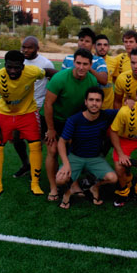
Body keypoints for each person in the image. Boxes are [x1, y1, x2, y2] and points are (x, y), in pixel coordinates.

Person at [0, 50, 55, 197]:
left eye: (16, 67)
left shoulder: (33, 71)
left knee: (35, 145)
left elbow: (49, 71)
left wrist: (63, 78)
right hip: (4, 114)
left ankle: (35, 184)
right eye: (9, 67)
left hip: (28, 113)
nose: (12, 70)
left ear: (23, 66)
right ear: (5, 65)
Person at [41, 48, 98, 201]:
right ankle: (53, 188)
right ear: (73, 63)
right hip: (54, 119)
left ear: (90, 65)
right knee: (52, 151)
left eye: (85, 64)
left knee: (75, 152)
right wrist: (51, 129)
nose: (81, 67)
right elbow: (48, 104)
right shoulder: (60, 78)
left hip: (72, 122)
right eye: (78, 63)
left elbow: (91, 106)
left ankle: (74, 184)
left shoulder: (92, 81)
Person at [55, 87, 118, 209]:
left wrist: (132, 103)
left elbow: (126, 110)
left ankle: (95, 187)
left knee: (113, 178)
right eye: (91, 100)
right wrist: (66, 163)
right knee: (60, 179)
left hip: (95, 158)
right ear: (85, 102)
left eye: (97, 100)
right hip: (76, 156)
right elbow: (61, 142)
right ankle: (69, 191)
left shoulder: (106, 115)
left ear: (102, 102)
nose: (94, 103)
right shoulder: (74, 120)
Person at [12, 36, 56, 178]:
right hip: (19, 108)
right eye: (23, 47)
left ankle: (35, 169)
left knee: (36, 141)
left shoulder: (46, 63)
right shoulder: (19, 61)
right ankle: (26, 164)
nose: (25, 50)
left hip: (37, 108)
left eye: (29, 47)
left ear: (37, 48)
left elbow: (52, 85)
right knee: (16, 138)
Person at [94, 34, 116, 109]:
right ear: (94, 46)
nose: (102, 47)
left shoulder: (114, 62)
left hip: (108, 106)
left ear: (108, 47)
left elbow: (117, 83)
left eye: (105, 45)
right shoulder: (88, 61)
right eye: (99, 44)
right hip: (92, 105)